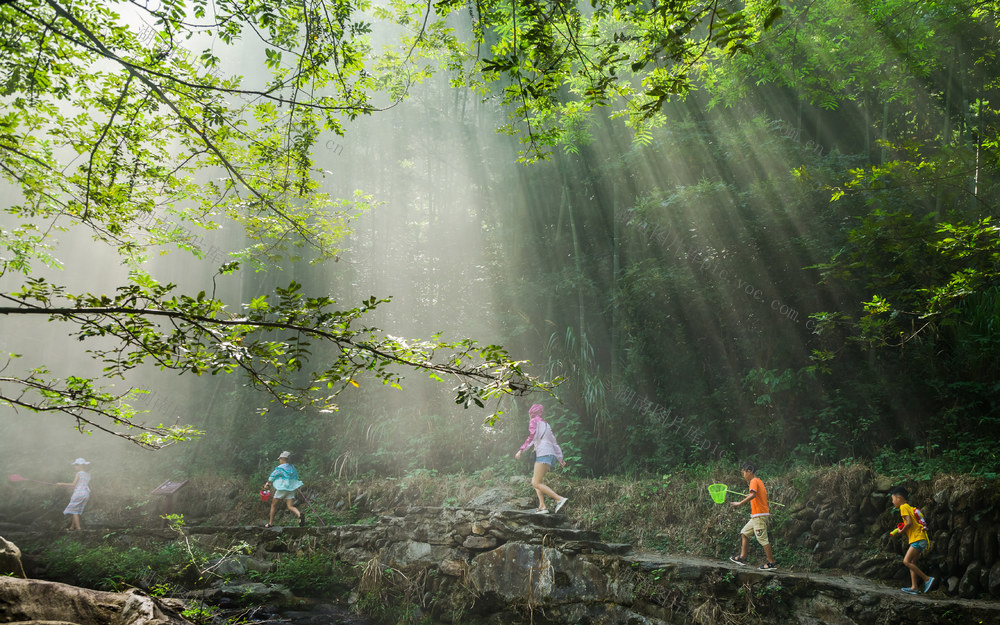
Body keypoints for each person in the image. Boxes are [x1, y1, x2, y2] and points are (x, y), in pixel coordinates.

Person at [514, 404, 569, 514]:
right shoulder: (546, 424)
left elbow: (532, 437)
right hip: (550, 454)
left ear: (532, 413)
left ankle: (559, 499)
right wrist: (560, 458)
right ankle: (542, 506)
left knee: (536, 483)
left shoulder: (534, 421)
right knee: (535, 480)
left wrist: (521, 450)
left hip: (543, 454)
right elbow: (554, 442)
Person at [729, 462, 777, 570]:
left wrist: (740, 503)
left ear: (749, 471)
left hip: (759, 515)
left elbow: (753, 494)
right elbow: (755, 495)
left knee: (762, 539)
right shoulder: (759, 481)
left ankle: (771, 563)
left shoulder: (754, 481)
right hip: (756, 516)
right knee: (745, 533)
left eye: (743, 473)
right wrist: (750, 496)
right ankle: (742, 557)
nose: (743, 475)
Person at [888, 485, 934, 595]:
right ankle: (914, 587)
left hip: (917, 539)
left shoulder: (903, 508)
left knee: (906, 561)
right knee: (912, 562)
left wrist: (901, 532)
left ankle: (927, 579)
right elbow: (910, 523)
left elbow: (908, 523)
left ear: (898, 498)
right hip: (921, 538)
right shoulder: (909, 507)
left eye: (893, 499)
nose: (893, 502)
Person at [263, 451, 305, 528]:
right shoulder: (292, 467)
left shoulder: (280, 468)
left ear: (283, 459)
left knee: (273, 505)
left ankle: (270, 523)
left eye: (280, 459)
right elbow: (295, 477)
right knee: (290, 506)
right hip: (291, 488)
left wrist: (267, 484)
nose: (279, 460)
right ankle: (299, 515)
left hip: (282, 488)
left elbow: (272, 476)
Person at [57, 458, 91, 531]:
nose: (75, 466)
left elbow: (73, 484)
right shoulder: (88, 475)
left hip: (79, 493)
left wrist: (62, 484)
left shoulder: (78, 473)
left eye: (76, 465)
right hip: (86, 493)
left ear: (80, 465)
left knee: (74, 511)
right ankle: (72, 527)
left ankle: (78, 529)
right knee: (75, 510)